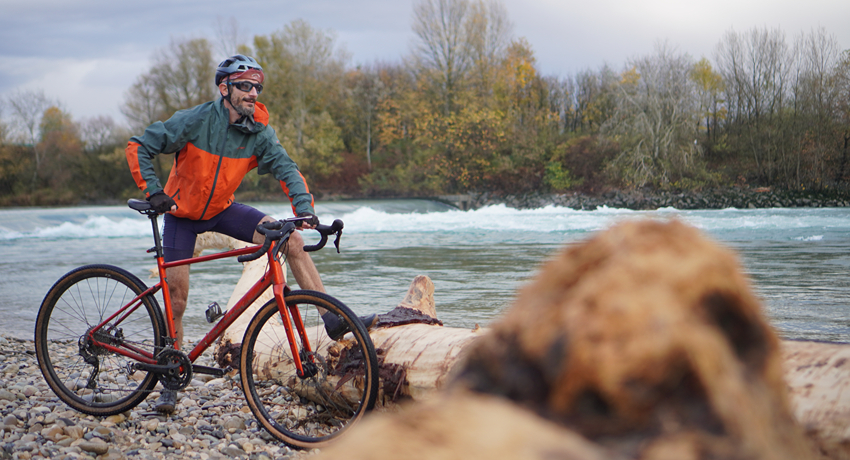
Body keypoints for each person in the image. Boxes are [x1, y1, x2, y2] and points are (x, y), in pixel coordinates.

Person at [126, 54, 377, 414]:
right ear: (224, 88)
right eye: (245, 86)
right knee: (177, 300)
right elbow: (139, 145)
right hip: (180, 216)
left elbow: (285, 166)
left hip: (222, 211)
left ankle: (331, 319)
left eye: (257, 87)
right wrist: (153, 191)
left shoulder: (257, 129)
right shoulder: (196, 120)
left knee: (290, 239)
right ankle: (168, 380)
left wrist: (303, 208)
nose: (252, 93)